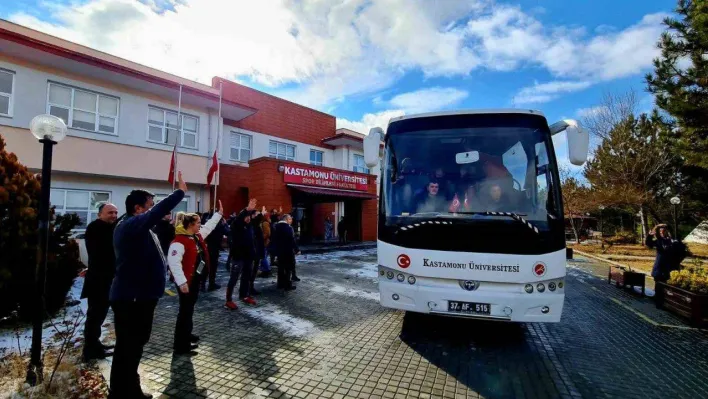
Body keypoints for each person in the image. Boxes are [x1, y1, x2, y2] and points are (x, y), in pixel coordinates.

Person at [108, 172, 187, 399]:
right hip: (132, 298)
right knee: (129, 347)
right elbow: (157, 212)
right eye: (150, 206)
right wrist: (179, 193)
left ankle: (128, 389)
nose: (155, 210)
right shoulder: (129, 226)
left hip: (141, 297)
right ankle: (122, 392)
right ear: (138, 209)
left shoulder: (140, 229)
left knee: (133, 347)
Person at [167, 201, 223, 355]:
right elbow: (173, 263)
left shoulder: (195, 236)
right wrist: (182, 282)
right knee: (185, 312)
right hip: (187, 282)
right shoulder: (179, 241)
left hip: (195, 280)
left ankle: (187, 334)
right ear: (190, 224)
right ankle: (180, 346)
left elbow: (208, 228)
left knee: (189, 310)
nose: (200, 224)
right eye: (198, 222)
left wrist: (218, 214)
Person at [81, 202, 119, 361]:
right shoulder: (96, 228)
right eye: (110, 212)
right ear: (100, 214)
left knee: (99, 315)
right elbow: (103, 254)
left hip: (106, 279)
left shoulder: (109, 228)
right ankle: (90, 350)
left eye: (116, 213)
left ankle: (95, 345)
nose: (114, 216)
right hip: (99, 281)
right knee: (95, 316)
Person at [225, 199, 258, 310]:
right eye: (246, 216)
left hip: (248, 256)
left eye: (249, 216)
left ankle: (244, 295)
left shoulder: (250, 226)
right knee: (234, 278)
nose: (248, 218)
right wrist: (247, 209)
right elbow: (239, 219)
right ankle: (228, 300)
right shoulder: (236, 225)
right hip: (238, 256)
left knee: (246, 276)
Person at [647, 224, 686, 307]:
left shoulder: (675, 242)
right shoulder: (659, 241)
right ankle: (659, 302)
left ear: (668, 232)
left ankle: (668, 302)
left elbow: (683, 253)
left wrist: (677, 261)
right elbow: (649, 243)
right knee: (659, 286)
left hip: (671, 269)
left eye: (664, 231)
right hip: (660, 268)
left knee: (670, 287)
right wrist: (651, 233)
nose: (662, 232)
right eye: (660, 231)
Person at [272, 214, 300, 291]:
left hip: (279, 251)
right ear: (286, 219)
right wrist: (296, 249)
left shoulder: (276, 226)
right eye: (290, 219)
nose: (291, 221)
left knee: (280, 268)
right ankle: (287, 285)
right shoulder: (288, 228)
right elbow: (291, 240)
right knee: (288, 268)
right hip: (288, 251)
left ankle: (280, 284)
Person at [203, 213, 227, 292]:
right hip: (214, 249)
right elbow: (228, 232)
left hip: (205, 247)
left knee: (203, 266)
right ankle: (211, 283)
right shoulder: (219, 226)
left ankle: (201, 284)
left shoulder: (207, 225)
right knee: (213, 267)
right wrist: (225, 224)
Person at [259, 206, 273, 278]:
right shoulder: (264, 222)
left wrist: (261, 239)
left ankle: (266, 270)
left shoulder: (265, 223)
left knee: (263, 256)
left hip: (264, 242)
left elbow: (267, 233)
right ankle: (264, 269)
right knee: (263, 256)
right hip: (264, 242)